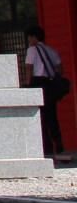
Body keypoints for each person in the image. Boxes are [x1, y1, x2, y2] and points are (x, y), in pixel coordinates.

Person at [24, 26, 68, 158]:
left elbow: (29, 68)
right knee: (52, 115)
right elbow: (60, 70)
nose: (29, 40)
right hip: (51, 83)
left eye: (30, 37)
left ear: (34, 37)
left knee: (41, 117)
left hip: (38, 83)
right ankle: (58, 141)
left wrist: (27, 84)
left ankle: (47, 148)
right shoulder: (51, 50)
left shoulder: (32, 49)